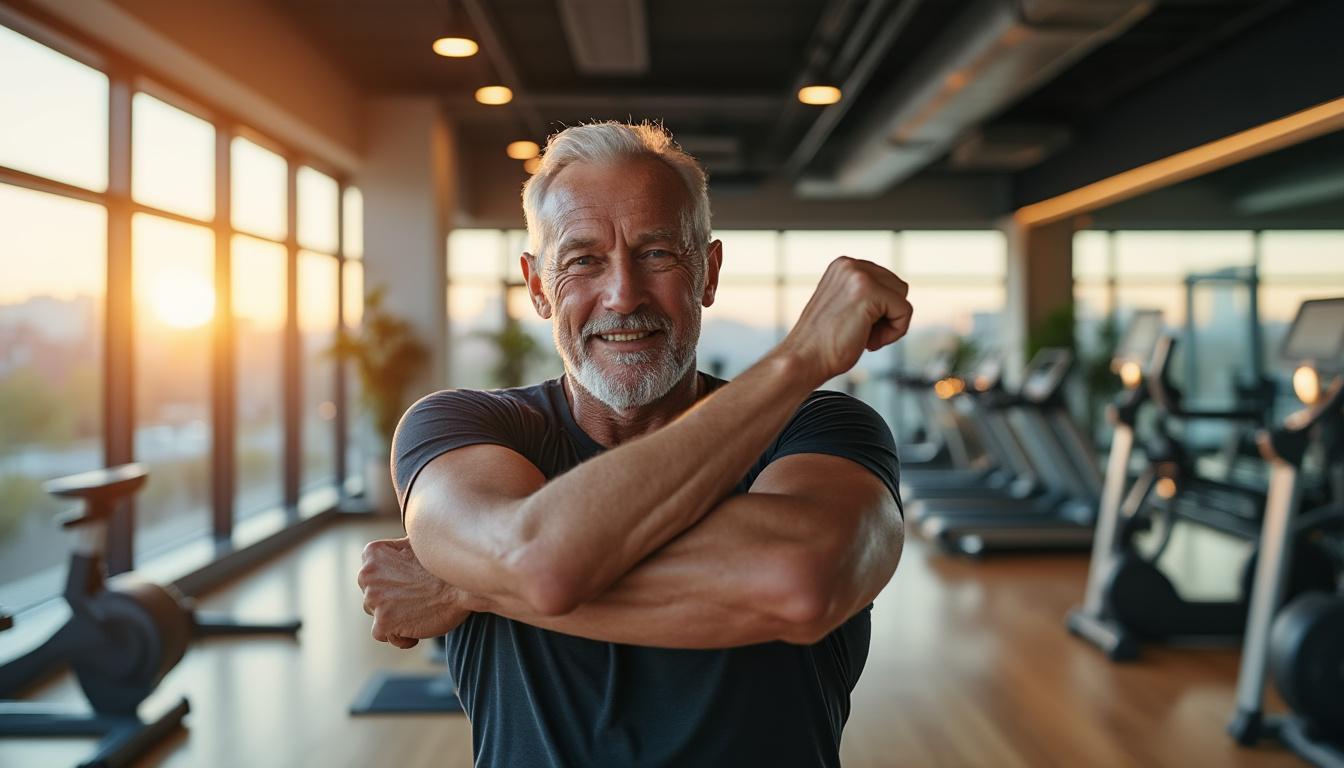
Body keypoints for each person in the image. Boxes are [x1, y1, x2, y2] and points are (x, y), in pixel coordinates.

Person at [358, 121, 912, 767]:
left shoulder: (820, 427)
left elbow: (797, 583)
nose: (623, 295)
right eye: (584, 260)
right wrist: (796, 359)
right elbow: (538, 560)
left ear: (708, 272)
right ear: (538, 286)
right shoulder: (462, 425)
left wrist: (466, 586)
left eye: (657, 254)